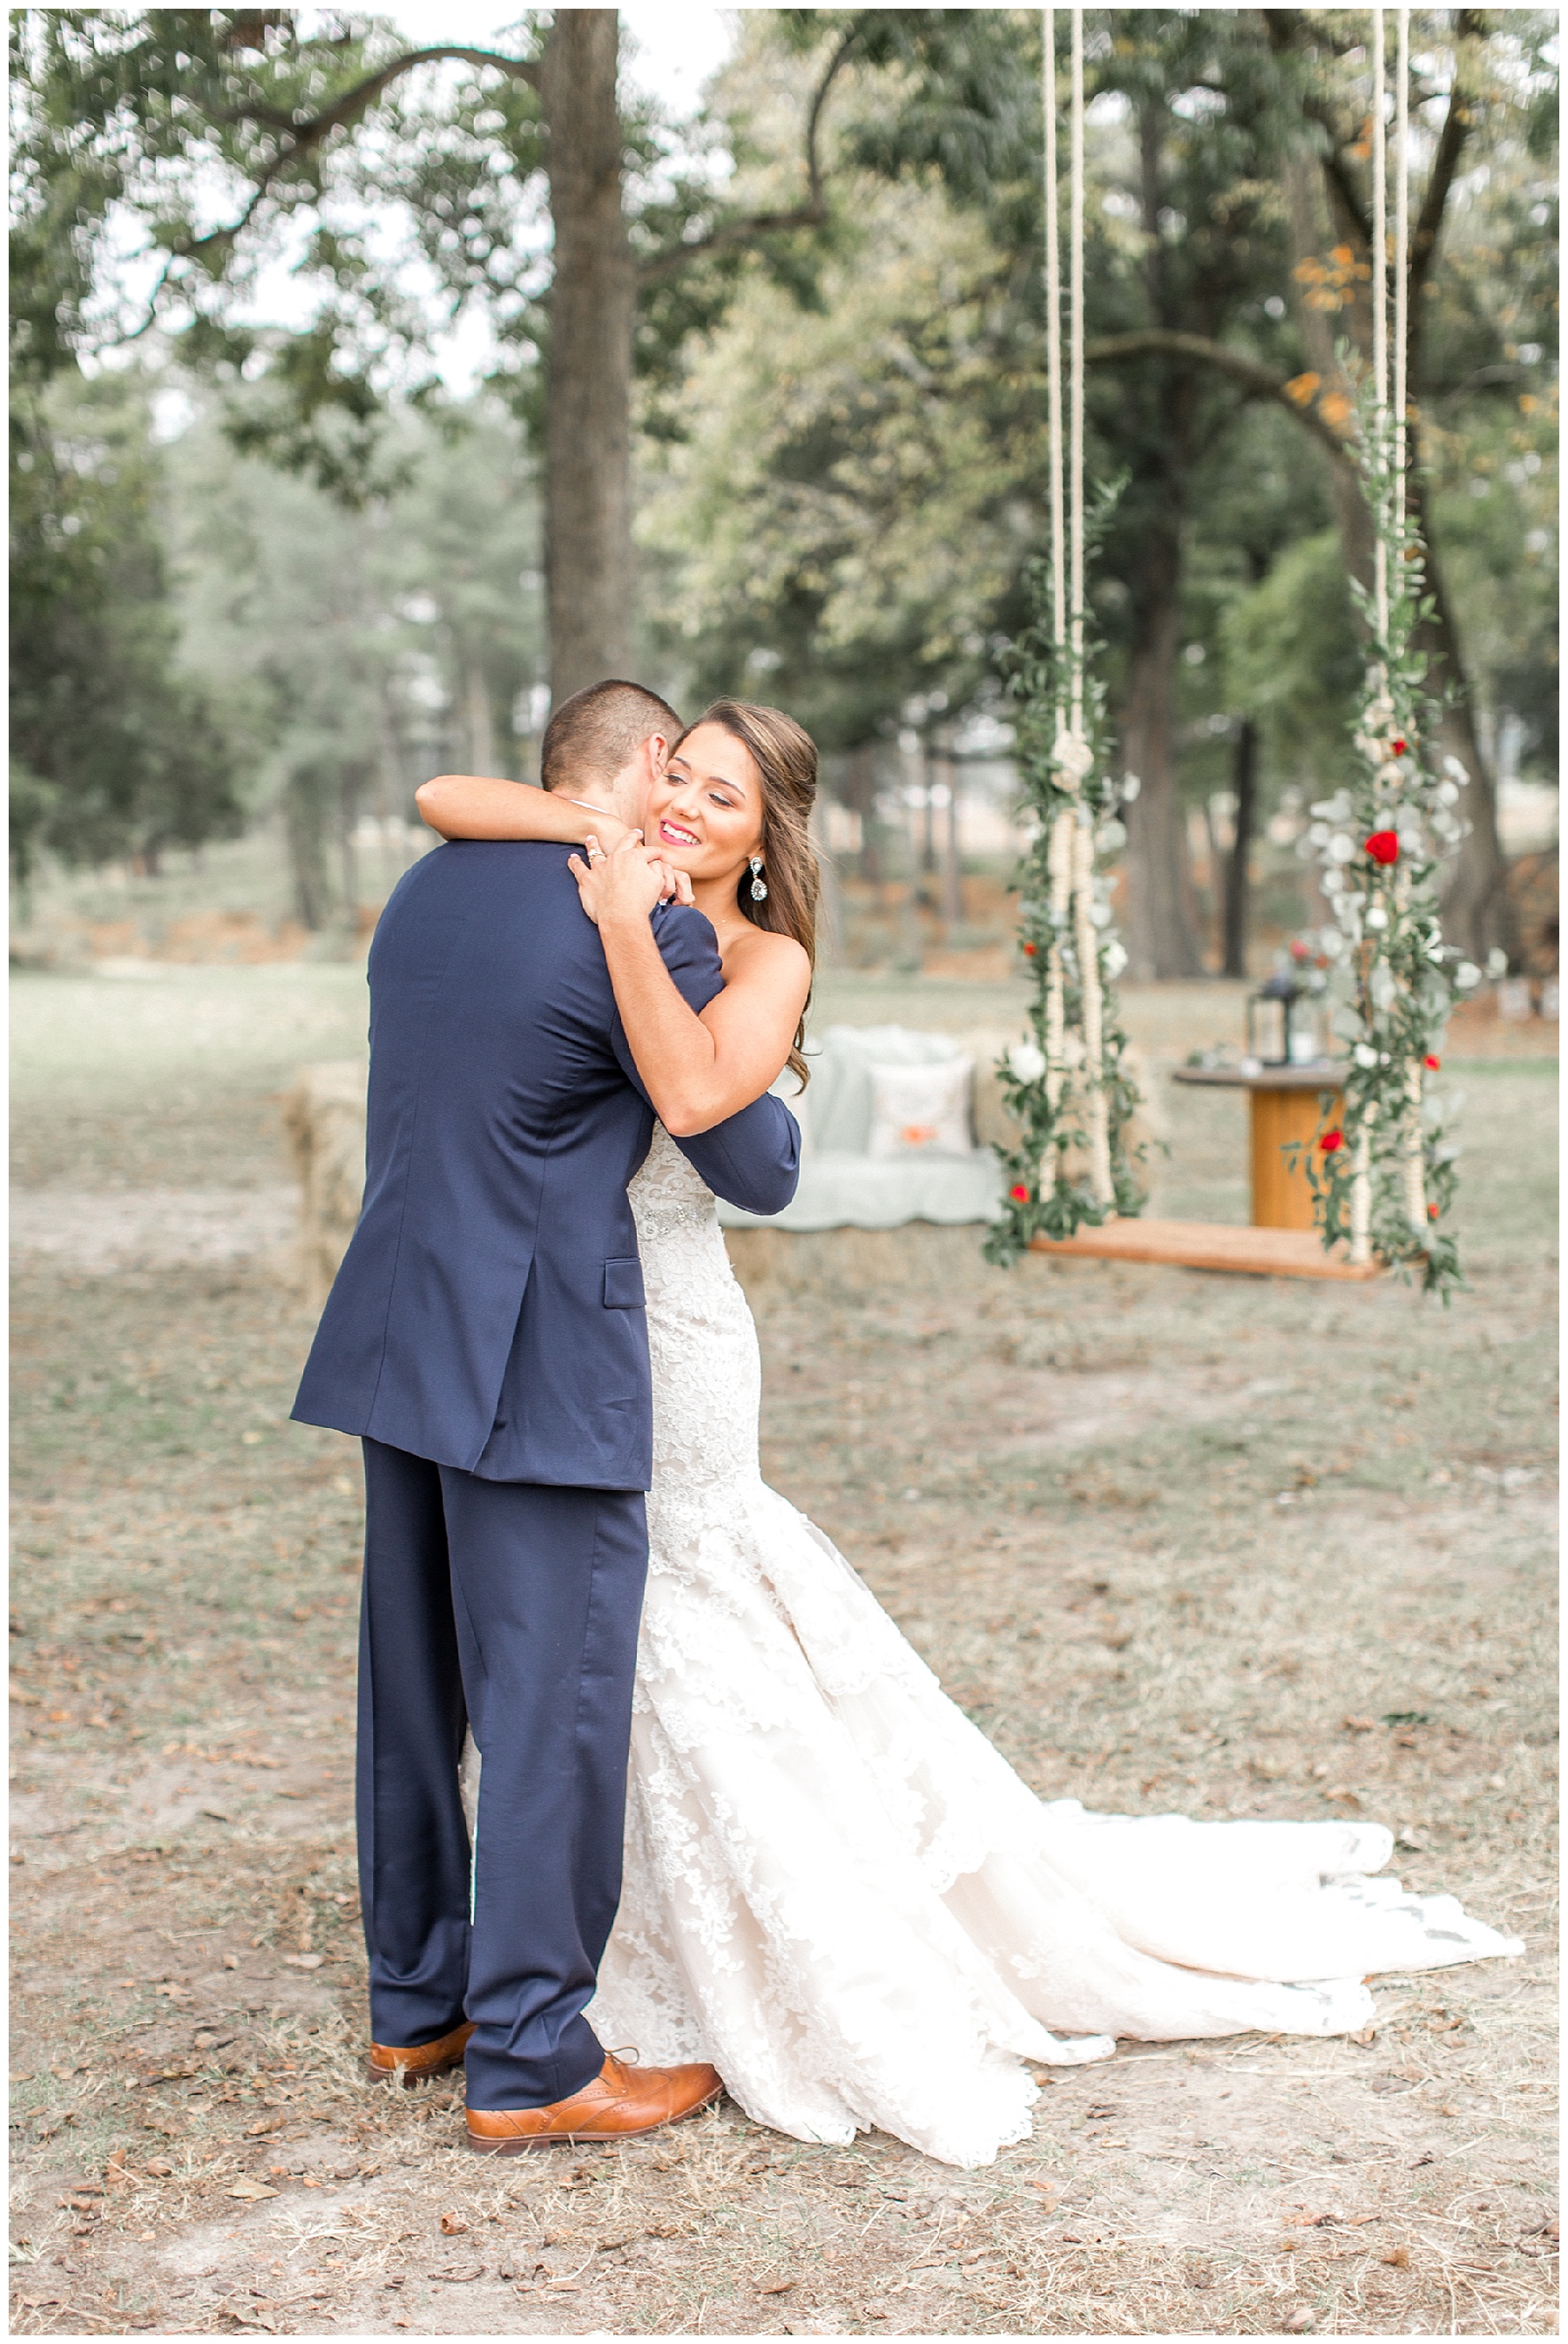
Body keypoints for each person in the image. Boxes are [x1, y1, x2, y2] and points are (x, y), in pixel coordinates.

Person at [420, 686, 1524, 2170]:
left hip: (666, 1340)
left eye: (723, 799)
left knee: (685, 1613)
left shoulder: (757, 952)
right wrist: (601, 841)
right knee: (602, 1648)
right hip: (560, 1320)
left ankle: (735, 1954)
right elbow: (450, 794)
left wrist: (627, 914)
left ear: (763, 843)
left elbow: (694, 1096)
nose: (685, 806)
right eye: (676, 775)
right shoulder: (607, 872)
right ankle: (585, 1965)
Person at [290, 679, 804, 2155]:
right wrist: (665, 940)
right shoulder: (640, 919)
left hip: (398, 1323)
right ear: (649, 769)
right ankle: (531, 2052)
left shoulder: (422, 892)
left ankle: (417, 1998)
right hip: (540, 1353)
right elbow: (756, 1160)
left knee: (412, 1679)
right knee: (552, 1698)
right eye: (683, 775)